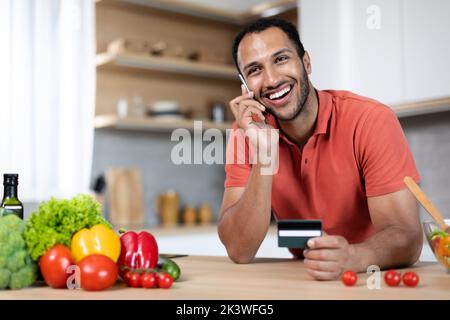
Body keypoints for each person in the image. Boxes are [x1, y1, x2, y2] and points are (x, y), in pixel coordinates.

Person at [218, 18, 422, 281]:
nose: (271, 79)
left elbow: (407, 237)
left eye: (281, 59)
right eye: (255, 70)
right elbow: (239, 249)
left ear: (306, 62)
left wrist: (351, 257)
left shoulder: (370, 119)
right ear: (245, 85)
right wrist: (265, 154)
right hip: (305, 278)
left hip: (369, 277)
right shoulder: (246, 131)